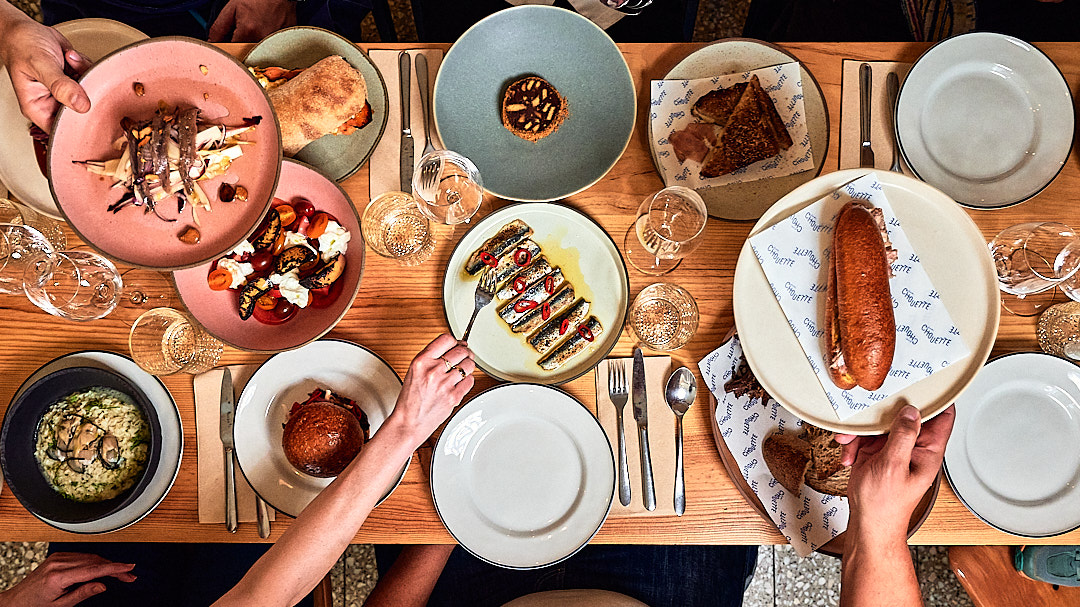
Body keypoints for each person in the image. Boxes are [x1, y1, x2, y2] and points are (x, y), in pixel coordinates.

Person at [0, 334, 476, 607]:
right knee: (249, 535)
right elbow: (269, 592)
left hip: (96, 592)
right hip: (241, 588)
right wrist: (405, 434)